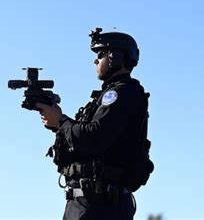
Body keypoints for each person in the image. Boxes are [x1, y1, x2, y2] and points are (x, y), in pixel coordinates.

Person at [37, 27, 154, 220]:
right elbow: (88, 143)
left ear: (114, 57)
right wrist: (58, 124)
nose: (95, 60)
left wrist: (62, 121)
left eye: (100, 54)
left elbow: (93, 138)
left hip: (100, 206)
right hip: (86, 205)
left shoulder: (121, 94)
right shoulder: (113, 95)